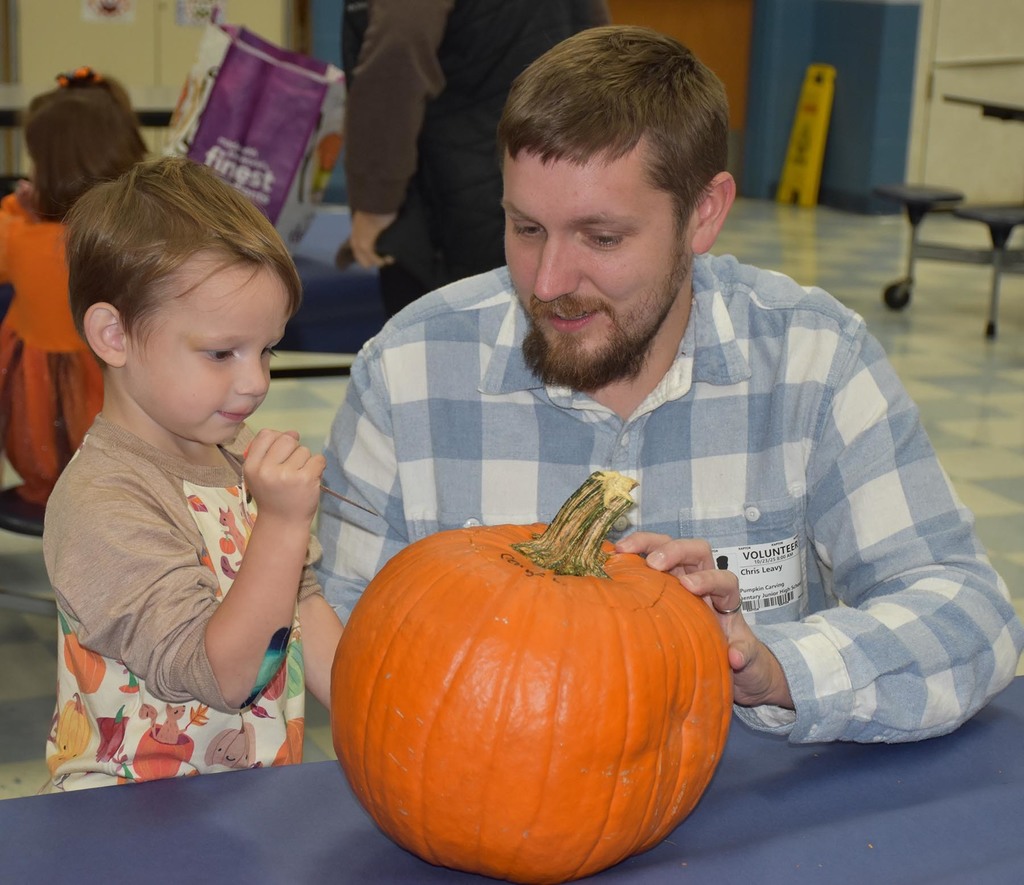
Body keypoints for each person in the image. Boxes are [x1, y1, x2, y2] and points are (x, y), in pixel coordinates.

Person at [316, 25, 1024, 745]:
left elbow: (968, 610)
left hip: (747, 820)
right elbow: (345, 635)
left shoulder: (812, 358)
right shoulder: (409, 372)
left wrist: (772, 665)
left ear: (704, 214)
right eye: (526, 228)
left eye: (602, 238)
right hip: (487, 807)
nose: (549, 282)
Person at [43, 156, 344, 791]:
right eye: (220, 353)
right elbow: (221, 676)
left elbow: (305, 610)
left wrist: (395, 715)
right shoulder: (102, 500)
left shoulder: (234, 457)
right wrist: (284, 525)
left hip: (241, 805)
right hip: (125, 825)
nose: (255, 381)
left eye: (266, 350)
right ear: (114, 336)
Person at [338, 0, 610, 317]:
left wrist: (375, 200)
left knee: (446, 353)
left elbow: (396, 59)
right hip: (563, 183)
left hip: (455, 215)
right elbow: (598, 50)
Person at [0, 67, 148, 518]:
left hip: (37, 414)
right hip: (121, 404)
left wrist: (15, 207)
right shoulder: (139, 231)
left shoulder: (22, 233)